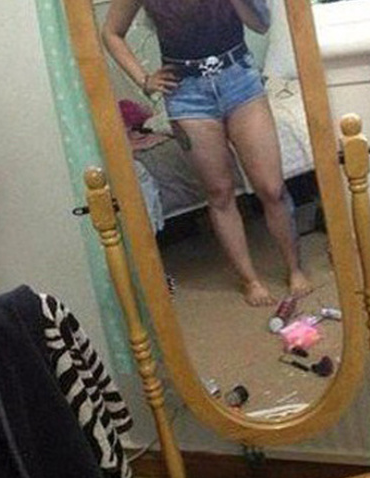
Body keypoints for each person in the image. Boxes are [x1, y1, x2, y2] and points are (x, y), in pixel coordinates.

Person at [102, 0, 312, 306]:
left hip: (240, 78)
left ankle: (294, 269)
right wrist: (144, 80)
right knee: (219, 192)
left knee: (272, 187)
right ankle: (250, 280)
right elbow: (111, 33)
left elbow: (261, 25)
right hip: (186, 94)